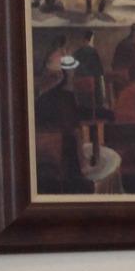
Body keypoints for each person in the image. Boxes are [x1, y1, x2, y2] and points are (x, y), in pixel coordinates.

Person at [35, 54, 85, 192]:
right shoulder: (66, 95)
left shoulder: (50, 94)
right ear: (70, 72)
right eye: (73, 70)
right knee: (71, 139)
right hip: (58, 145)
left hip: (44, 142)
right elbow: (70, 125)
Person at [71, 30, 105, 112]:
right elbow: (99, 70)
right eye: (93, 39)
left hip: (78, 83)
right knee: (100, 79)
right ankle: (99, 106)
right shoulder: (93, 52)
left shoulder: (76, 52)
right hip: (90, 83)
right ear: (91, 40)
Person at [111, 23, 135, 89]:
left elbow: (116, 59)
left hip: (118, 72)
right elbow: (134, 61)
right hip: (128, 75)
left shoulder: (123, 42)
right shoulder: (132, 44)